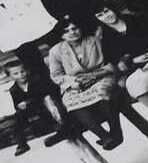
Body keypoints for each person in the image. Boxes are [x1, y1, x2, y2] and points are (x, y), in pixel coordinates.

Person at [94, 2, 148, 126]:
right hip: (134, 69)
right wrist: (133, 61)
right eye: (100, 15)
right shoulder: (107, 38)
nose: (106, 16)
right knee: (132, 82)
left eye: (107, 11)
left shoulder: (136, 20)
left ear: (113, 9)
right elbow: (115, 61)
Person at [45, 21, 124, 149]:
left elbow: (110, 62)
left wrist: (96, 75)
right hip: (75, 83)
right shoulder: (56, 51)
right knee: (72, 102)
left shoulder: (95, 41)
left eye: (74, 28)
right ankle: (104, 136)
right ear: (61, 36)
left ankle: (116, 132)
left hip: (100, 76)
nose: (72, 32)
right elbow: (56, 75)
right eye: (66, 31)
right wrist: (74, 83)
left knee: (102, 91)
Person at [5, 63, 60, 155]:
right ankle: (22, 144)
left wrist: (27, 102)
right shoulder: (14, 89)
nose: (21, 75)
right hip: (28, 110)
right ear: (10, 77)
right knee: (17, 120)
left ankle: (60, 131)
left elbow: (43, 94)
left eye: (22, 71)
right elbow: (16, 104)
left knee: (49, 112)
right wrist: (19, 106)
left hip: (42, 105)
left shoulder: (36, 81)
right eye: (16, 74)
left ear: (27, 71)